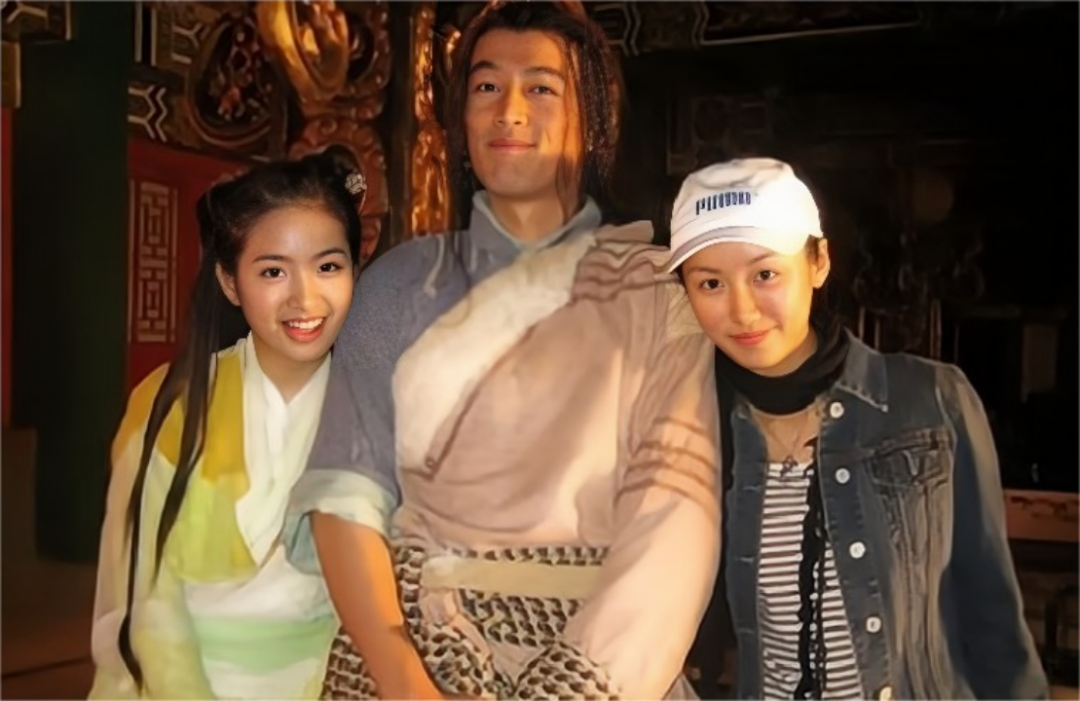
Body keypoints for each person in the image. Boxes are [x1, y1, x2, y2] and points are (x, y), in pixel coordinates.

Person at [283, 1, 721, 699]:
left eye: (541, 88)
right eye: (486, 86)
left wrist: (571, 686)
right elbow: (346, 497)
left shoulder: (655, 297)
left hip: (604, 666)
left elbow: (675, 524)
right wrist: (404, 678)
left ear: (592, 118)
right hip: (412, 652)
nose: (508, 111)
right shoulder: (397, 285)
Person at [669, 157, 1049, 701]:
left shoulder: (932, 401)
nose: (743, 310)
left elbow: (992, 619)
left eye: (765, 274)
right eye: (710, 282)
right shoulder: (689, 430)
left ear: (818, 262)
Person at [89, 152, 365, 701]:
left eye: (328, 267)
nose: (305, 298)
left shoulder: (379, 411)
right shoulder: (170, 404)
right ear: (230, 281)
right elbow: (145, 601)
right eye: (273, 271)